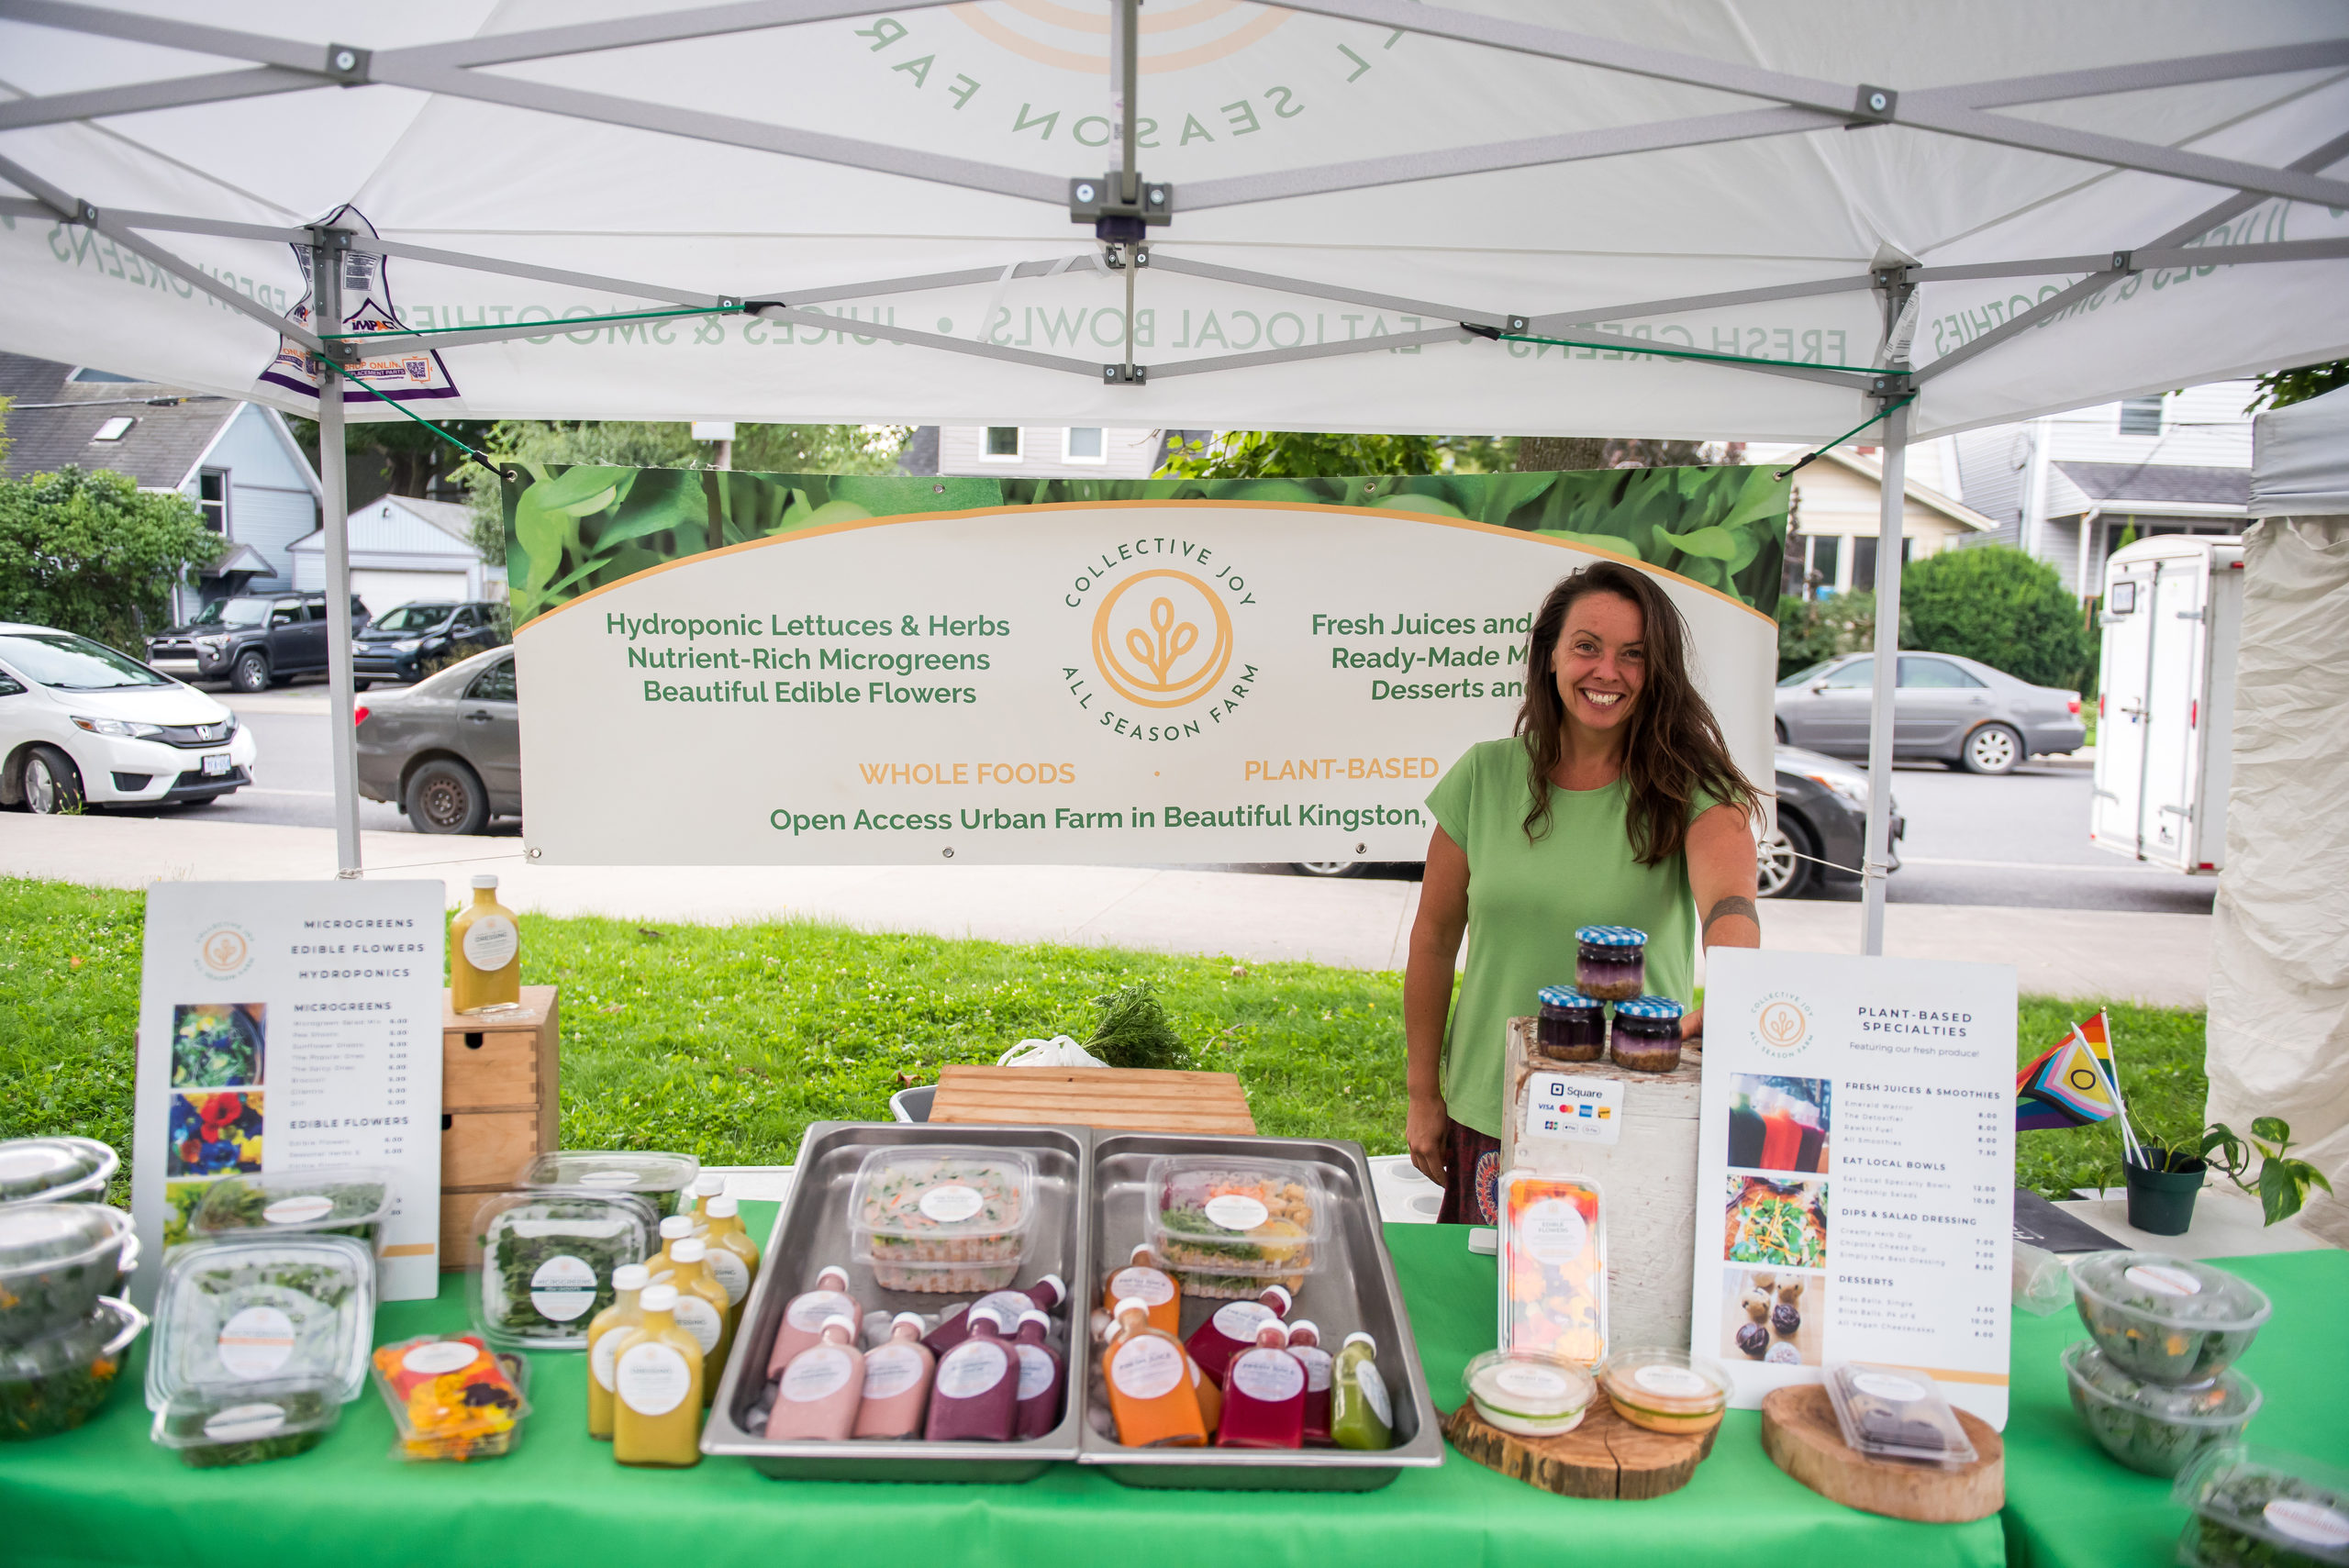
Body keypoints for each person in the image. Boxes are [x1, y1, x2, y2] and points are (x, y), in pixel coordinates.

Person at [1405, 559, 1763, 1223]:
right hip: (1492, 1104)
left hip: (1628, 1104)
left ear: (1657, 671)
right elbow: (1431, 940)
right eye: (1587, 647)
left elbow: (1731, 903)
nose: (1608, 672)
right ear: (1550, 656)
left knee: (1615, 1309)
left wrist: (1738, 985)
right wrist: (1423, 1091)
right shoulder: (1485, 775)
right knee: (1486, 1308)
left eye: (1634, 655)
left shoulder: (1693, 787)